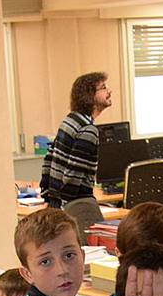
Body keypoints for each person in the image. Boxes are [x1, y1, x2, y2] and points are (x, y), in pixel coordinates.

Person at [39, 71, 112, 207]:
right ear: (90, 96)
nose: (109, 91)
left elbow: (48, 159)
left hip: (57, 202)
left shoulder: (69, 120)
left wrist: (47, 196)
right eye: (104, 88)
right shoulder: (88, 129)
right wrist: (67, 206)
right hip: (75, 204)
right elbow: (74, 174)